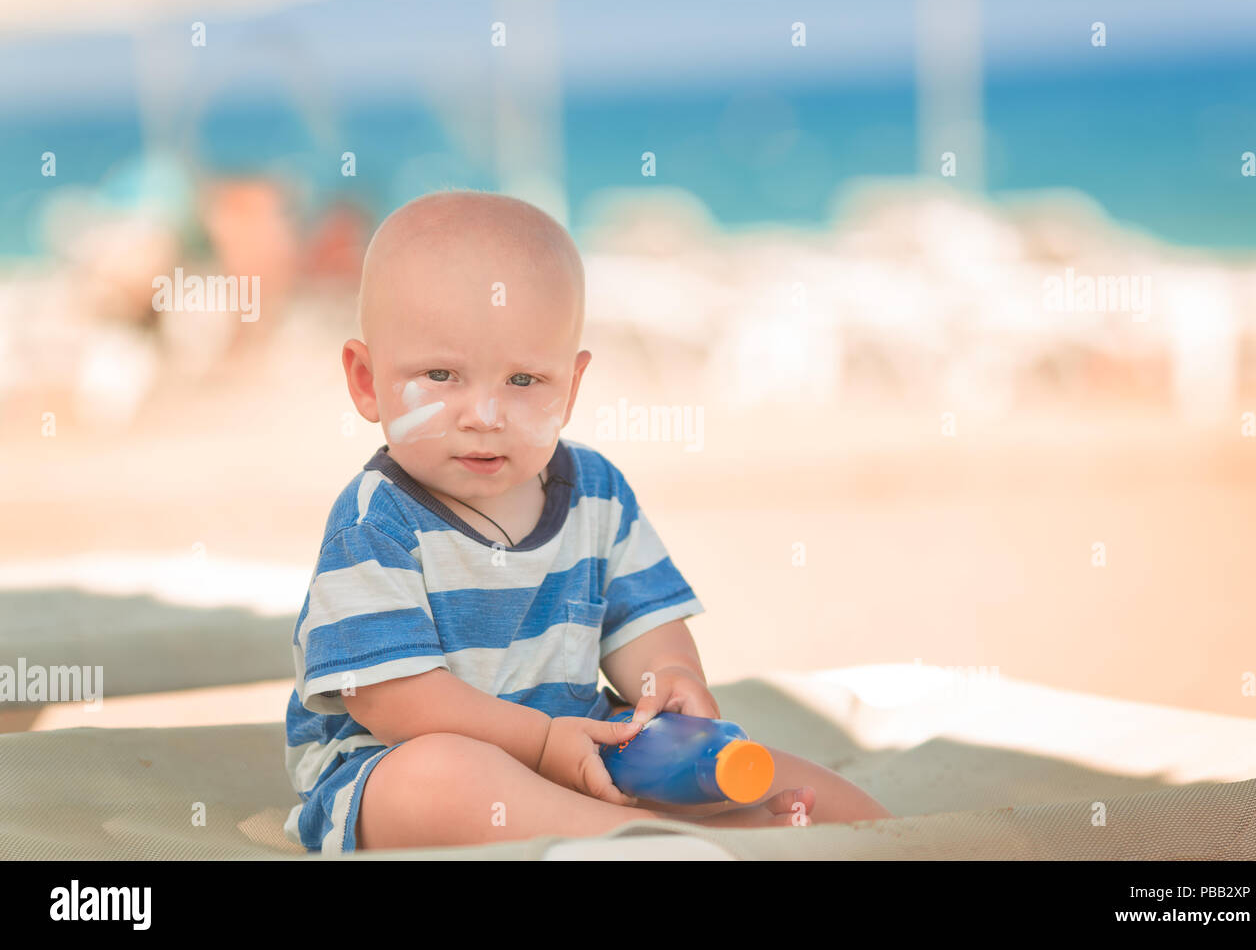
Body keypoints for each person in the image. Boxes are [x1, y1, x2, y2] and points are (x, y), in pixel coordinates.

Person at [282, 190, 893, 854]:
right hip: (402, 763)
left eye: (523, 380)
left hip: (586, 752)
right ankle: (652, 839)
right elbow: (396, 702)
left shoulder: (594, 491)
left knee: (768, 770)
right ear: (367, 381)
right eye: (441, 375)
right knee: (435, 779)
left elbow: (643, 627)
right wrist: (539, 743)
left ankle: (893, 839)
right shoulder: (376, 521)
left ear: (570, 388)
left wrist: (670, 683)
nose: (485, 414)